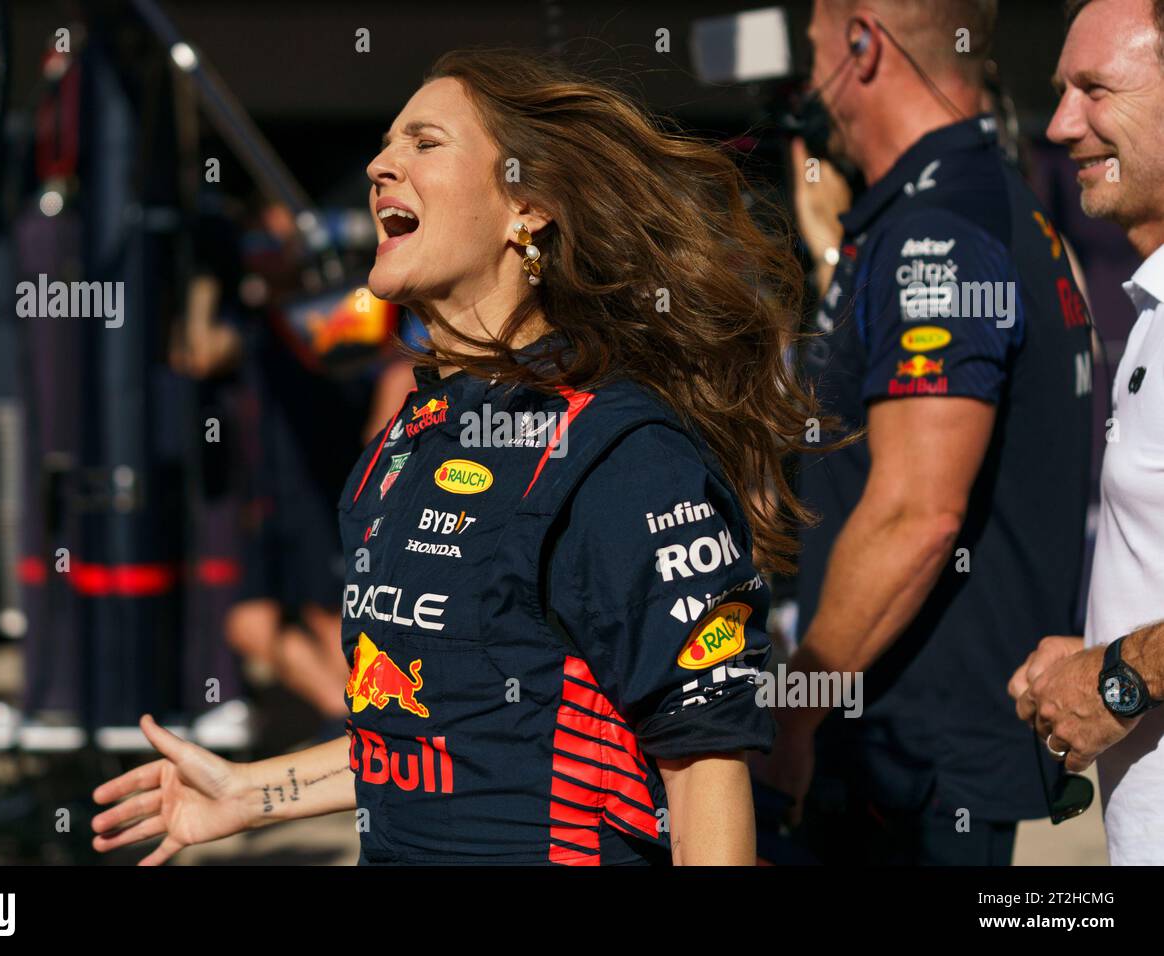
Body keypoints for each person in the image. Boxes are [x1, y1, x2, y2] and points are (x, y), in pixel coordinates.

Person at [91, 47, 822, 865]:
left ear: (527, 207)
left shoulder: (621, 456)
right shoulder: (403, 445)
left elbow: (703, 775)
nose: (378, 166)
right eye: (385, 144)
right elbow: (440, 731)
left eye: (424, 143)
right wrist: (250, 793)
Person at [759, 0, 1095, 865]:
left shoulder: (940, 228)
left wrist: (794, 712)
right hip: (911, 749)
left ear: (863, 45)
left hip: (913, 769)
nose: (812, 83)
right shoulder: (960, 205)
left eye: (817, 50)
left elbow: (920, 515)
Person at [1009, 0, 1164, 865]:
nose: (1063, 125)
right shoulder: (1150, 306)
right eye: (1061, 91)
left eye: (1095, 89)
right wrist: (1108, 649)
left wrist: (1120, 678)